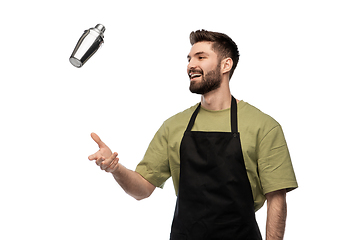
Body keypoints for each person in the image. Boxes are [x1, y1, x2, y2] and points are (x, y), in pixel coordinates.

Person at [88, 30, 298, 240]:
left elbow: (277, 200)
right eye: (189, 59)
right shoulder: (174, 126)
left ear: (226, 65)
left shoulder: (263, 126)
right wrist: (115, 168)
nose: (191, 65)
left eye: (201, 57)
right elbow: (142, 189)